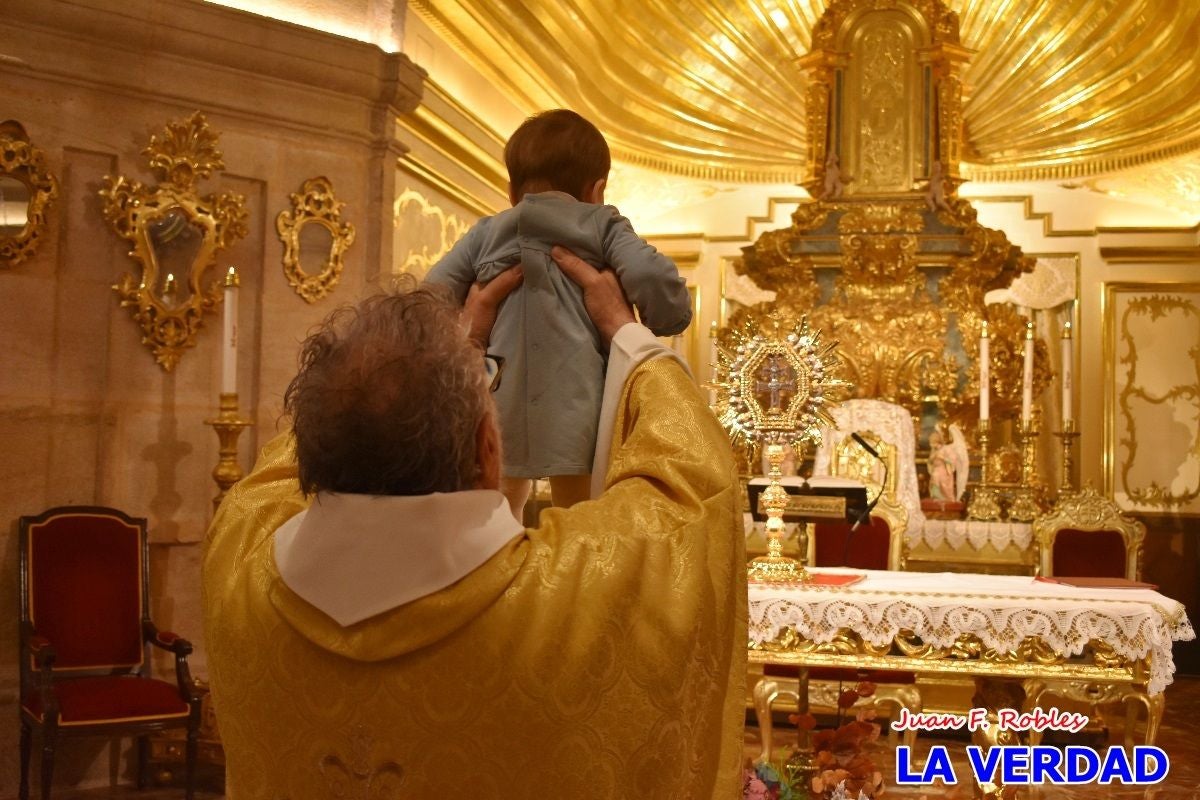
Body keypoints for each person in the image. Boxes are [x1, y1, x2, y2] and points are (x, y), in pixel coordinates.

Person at [202, 247, 746, 799]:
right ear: (488, 452)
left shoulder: (239, 557)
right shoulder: (583, 593)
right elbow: (692, 486)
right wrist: (626, 334)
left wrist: (422, 362)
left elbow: (329, 429)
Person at [426, 109, 692, 515]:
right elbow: (647, 273)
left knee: (495, 515)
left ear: (512, 191)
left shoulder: (486, 231)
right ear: (597, 189)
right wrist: (669, 317)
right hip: (578, 399)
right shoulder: (602, 223)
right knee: (582, 517)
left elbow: (431, 293)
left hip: (500, 396)